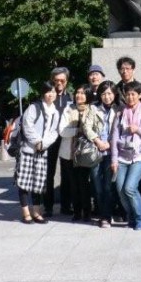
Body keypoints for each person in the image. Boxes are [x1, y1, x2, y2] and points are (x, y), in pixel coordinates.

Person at [111, 81, 141, 230]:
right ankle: (131, 216)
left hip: (139, 157)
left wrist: (138, 130)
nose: (130, 97)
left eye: (133, 94)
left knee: (129, 188)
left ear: (140, 95)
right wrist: (114, 160)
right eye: (127, 94)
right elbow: (114, 138)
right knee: (120, 189)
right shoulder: (120, 113)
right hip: (122, 157)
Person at [15, 82, 60, 224]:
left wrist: (44, 144)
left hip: (42, 152)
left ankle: (36, 212)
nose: (50, 94)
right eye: (47, 91)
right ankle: (26, 212)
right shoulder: (34, 107)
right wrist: (37, 142)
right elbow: (27, 125)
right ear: (43, 93)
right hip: (28, 150)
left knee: (38, 183)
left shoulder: (55, 112)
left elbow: (54, 132)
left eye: (52, 91)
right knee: (23, 182)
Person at [83, 80, 119, 228]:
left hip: (112, 152)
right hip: (96, 152)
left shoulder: (119, 110)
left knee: (108, 186)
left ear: (115, 94)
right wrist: (98, 141)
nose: (107, 96)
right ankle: (102, 212)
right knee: (97, 186)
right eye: (104, 93)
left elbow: (121, 131)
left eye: (110, 93)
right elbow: (87, 127)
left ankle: (106, 216)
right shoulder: (93, 108)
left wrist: (109, 143)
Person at [58, 84, 93, 222]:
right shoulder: (68, 109)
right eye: (78, 92)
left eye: (83, 93)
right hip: (69, 153)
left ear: (88, 95)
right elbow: (62, 131)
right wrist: (77, 131)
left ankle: (87, 211)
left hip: (86, 153)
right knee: (73, 184)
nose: (79, 95)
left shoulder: (92, 110)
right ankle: (77, 212)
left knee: (85, 183)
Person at [44, 66, 72, 217]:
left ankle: (66, 206)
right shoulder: (47, 97)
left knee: (67, 174)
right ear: (52, 81)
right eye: (56, 80)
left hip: (66, 139)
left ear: (66, 81)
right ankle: (48, 206)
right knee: (49, 173)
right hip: (50, 141)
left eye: (62, 80)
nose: (59, 83)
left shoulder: (71, 98)